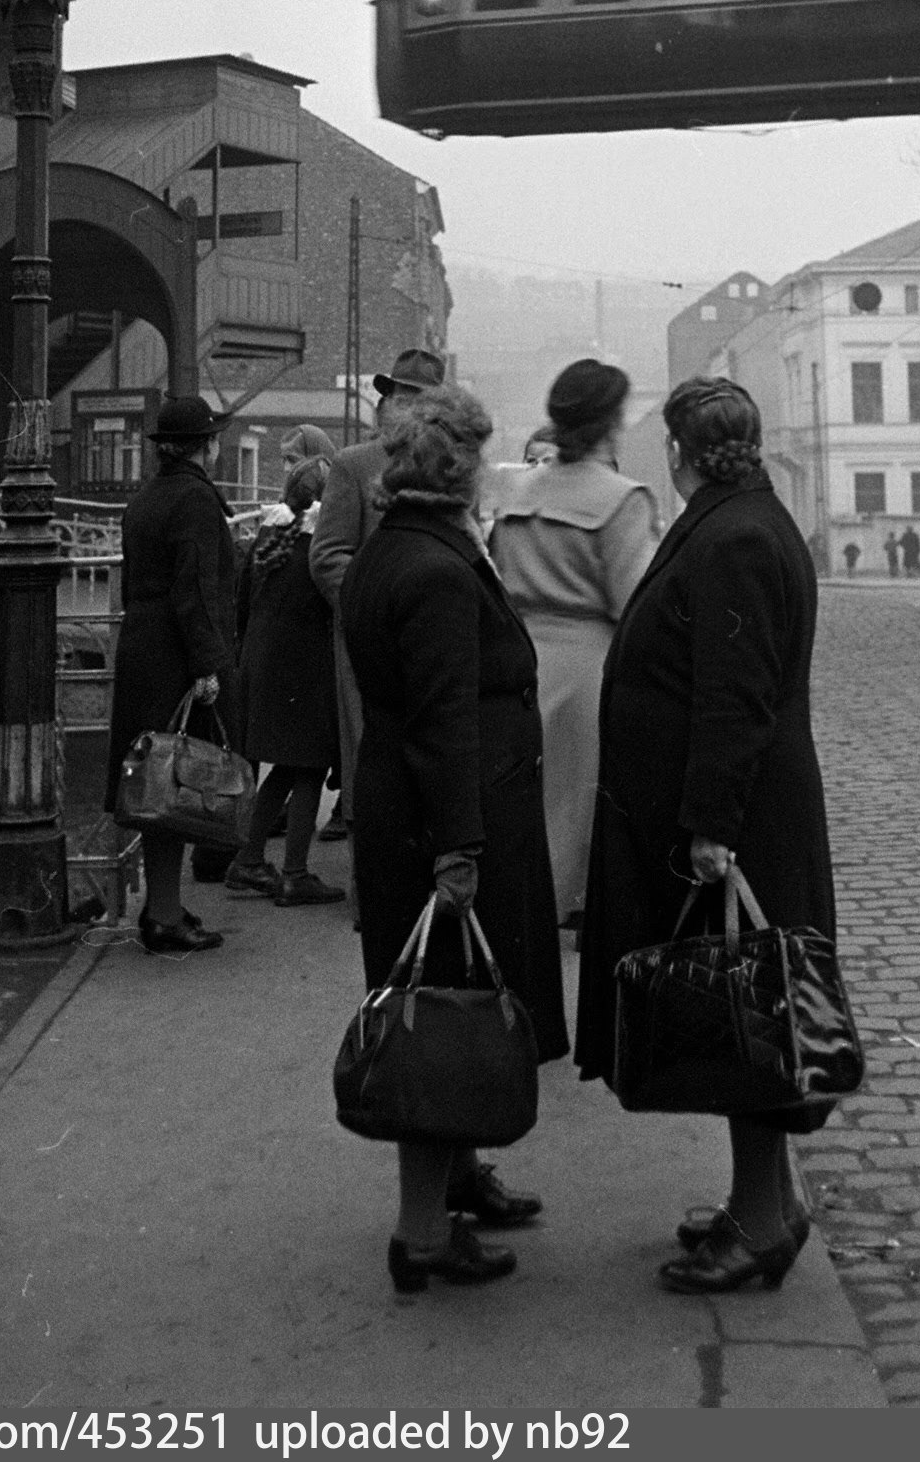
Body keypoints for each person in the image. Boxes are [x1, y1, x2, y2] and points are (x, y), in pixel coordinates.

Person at [575, 376, 837, 1297]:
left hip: (743, 820)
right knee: (747, 1015)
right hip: (745, 810)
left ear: (681, 452)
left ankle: (759, 1223)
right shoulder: (742, 520)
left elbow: (735, 695)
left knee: (749, 1020)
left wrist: (711, 828)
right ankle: (764, 1202)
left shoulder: (734, 537)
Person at [341, 384, 569, 1292]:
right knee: (440, 1015)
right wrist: (458, 850)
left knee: (452, 1000)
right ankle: (423, 1230)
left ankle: (458, 1177)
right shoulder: (435, 569)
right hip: (446, 817)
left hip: (417, 807)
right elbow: (444, 719)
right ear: (458, 470)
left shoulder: (397, 548)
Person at [490, 360, 658, 925]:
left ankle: (522, 911)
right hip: (590, 667)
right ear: (612, 421)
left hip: (519, 660)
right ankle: (576, 909)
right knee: (580, 803)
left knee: (524, 802)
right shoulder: (623, 498)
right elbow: (634, 605)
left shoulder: (517, 490)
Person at [105, 395, 237, 955]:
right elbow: (195, 590)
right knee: (177, 786)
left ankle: (161, 904)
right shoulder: (197, 500)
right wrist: (207, 666)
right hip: (178, 657)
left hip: (143, 649)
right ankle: (161, 916)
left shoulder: (145, 499)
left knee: (154, 785)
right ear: (207, 446)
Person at [309, 348, 447, 840]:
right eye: (400, 397)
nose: (408, 409)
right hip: (372, 641)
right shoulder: (355, 464)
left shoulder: (447, 467)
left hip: (433, 638)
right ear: (386, 402)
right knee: (372, 767)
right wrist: (376, 607)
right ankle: (367, 876)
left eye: (421, 400)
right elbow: (327, 555)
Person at [224, 454, 345, 908]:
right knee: (309, 766)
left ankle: (249, 859)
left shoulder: (268, 537)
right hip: (305, 669)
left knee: (287, 768)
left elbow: (241, 605)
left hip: (261, 665)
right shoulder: (319, 547)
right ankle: (294, 874)